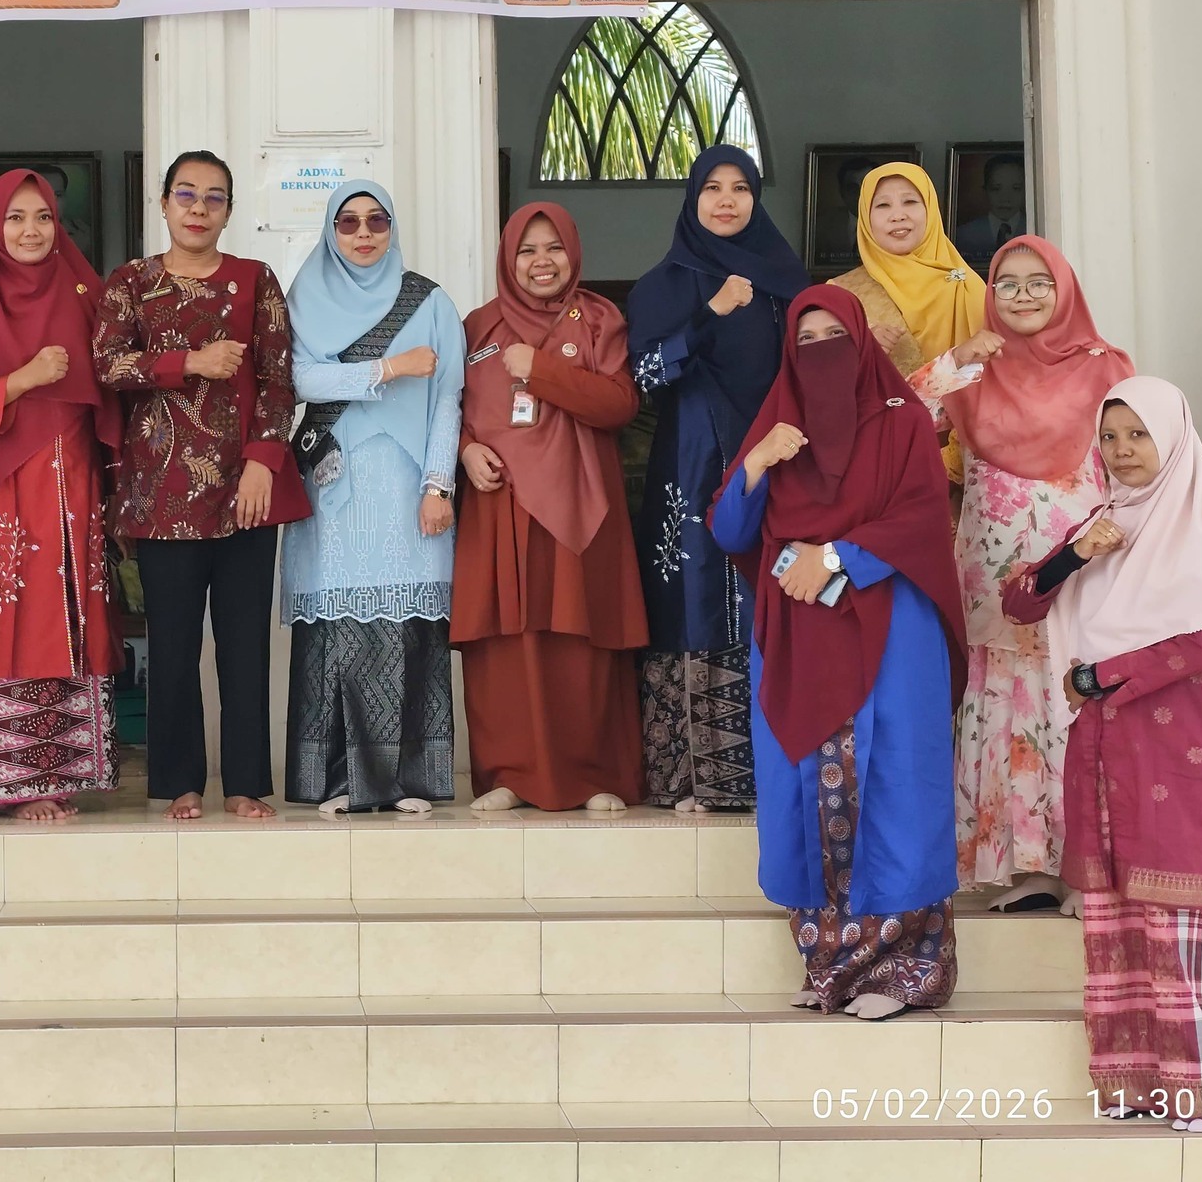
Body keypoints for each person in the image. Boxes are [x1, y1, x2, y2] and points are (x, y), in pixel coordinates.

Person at [1004, 379, 1202, 1131]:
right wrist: (1073, 555)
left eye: (1138, 435)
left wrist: (1098, 676)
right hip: (1102, 745)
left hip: (1178, 746)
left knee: (1180, 914)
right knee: (1114, 915)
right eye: (1110, 436)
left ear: (1173, 439)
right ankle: (1137, 1083)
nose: (1121, 451)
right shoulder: (1101, 525)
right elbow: (1020, 600)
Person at [709, 286, 962, 1019]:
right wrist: (757, 463)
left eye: (835, 337)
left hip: (890, 626)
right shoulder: (778, 427)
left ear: (863, 343)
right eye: (806, 340)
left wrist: (841, 556)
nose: (821, 352)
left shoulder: (903, 420)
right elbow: (729, 530)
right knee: (809, 790)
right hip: (800, 632)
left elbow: (921, 517)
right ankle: (832, 968)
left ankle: (908, 971)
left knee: (892, 785)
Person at [907, 237, 1132, 911]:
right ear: (990, 293)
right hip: (994, 573)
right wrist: (954, 362)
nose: (1025, 295)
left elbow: (1137, 457)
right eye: (1008, 283)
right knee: (1010, 707)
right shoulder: (974, 369)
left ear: (1065, 289)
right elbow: (896, 422)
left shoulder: (1106, 365)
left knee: (1075, 699)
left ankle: (1089, 871)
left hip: (1082, 569)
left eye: (1040, 282)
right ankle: (1027, 867)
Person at [93, 151, 301, 822]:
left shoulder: (255, 280)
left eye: (214, 197)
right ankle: (178, 782)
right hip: (161, 494)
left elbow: (279, 380)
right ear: (163, 203)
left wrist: (264, 460)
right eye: (186, 194)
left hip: (246, 491)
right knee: (174, 646)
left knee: (243, 645)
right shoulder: (130, 282)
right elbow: (108, 365)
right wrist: (191, 361)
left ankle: (245, 784)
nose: (199, 208)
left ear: (229, 212)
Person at [0, 170, 123, 821]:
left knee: (69, 616)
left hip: (74, 487)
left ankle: (63, 775)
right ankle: (12, 783)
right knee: (4, 622)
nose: (30, 231)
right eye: (15, 218)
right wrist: (23, 379)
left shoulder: (87, 293)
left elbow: (119, 378)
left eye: (42, 217)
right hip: (1, 490)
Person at [628, 147, 808, 811]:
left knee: (772, 598)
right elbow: (643, 378)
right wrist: (710, 315)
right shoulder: (664, 285)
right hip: (690, 459)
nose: (727, 200)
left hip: (777, 457)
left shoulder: (786, 282)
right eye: (712, 187)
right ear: (692, 198)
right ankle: (690, 779)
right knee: (691, 594)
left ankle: (771, 774)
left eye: (740, 188)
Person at [452, 201, 647, 813]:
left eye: (554, 247)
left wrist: (539, 370)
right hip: (500, 505)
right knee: (506, 644)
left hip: (580, 504)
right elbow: (445, 410)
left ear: (573, 252)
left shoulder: (599, 319)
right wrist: (465, 451)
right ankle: (509, 775)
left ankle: (592, 776)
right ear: (508, 258)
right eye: (527, 250)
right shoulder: (478, 326)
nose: (542, 262)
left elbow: (618, 405)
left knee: (580, 641)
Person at [283, 181, 466, 815]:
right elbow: (300, 378)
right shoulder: (304, 296)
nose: (363, 234)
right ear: (331, 231)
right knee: (338, 629)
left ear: (392, 228)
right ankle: (335, 781)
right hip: (335, 488)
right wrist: (390, 368)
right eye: (349, 222)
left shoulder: (431, 301)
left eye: (376, 221)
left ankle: (409, 781)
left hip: (407, 485)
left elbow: (447, 400)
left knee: (407, 630)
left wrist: (437, 485)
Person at [830, 161, 985, 479]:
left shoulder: (968, 286)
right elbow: (822, 389)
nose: (898, 215)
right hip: (879, 457)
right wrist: (860, 350)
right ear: (864, 218)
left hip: (969, 457)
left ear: (931, 210)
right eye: (883, 205)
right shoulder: (841, 295)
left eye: (910, 201)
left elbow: (1000, 373)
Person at [951, 155, 1028, 274]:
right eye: (996, 189)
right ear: (985, 191)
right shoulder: (964, 235)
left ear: (1026, 190)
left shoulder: (1034, 231)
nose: (1005, 198)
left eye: (1016, 188)